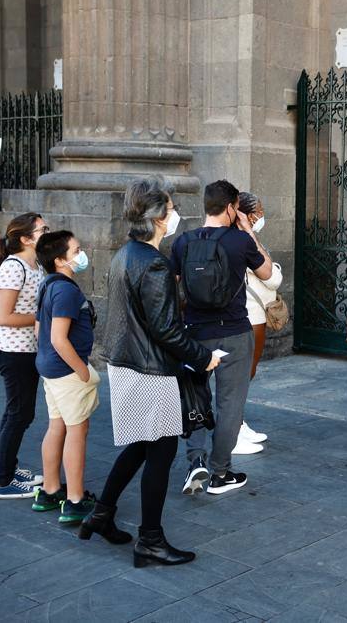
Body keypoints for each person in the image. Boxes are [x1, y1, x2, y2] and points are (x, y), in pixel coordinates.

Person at [85, 177, 220, 566]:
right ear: (160, 217)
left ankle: (102, 513)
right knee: (159, 450)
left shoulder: (125, 254)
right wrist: (203, 356)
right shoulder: (154, 262)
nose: (176, 214)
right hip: (149, 369)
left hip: (129, 364)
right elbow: (164, 329)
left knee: (142, 446)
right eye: (173, 208)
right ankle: (150, 540)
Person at [172, 180, 272, 496]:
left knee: (195, 398)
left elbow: (173, 286)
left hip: (195, 334)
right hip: (234, 332)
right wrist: (247, 230)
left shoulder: (182, 242)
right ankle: (219, 472)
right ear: (231, 208)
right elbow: (267, 272)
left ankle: (195, 462)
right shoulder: (240, 241)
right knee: (230, 405)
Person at [33, 230, 99, 524]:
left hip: (49, 368)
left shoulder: (48, 284)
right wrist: (82, 371)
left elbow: (40, 332)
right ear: (60, 260)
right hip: (67, 371)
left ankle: (50, 490)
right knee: (76, 431)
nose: (81, 253)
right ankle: (74, 500)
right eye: (76, 250)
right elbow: (60, 338)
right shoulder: (66, 290)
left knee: (56, 426)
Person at [0, 212, 48, 498]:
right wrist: (42, 318)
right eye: (42, 229)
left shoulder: (35, 264)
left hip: (26, 349)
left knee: (16, 412)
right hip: (13, 351)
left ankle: (7, 466)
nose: (47, 232)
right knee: (20, 414)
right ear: (25, 238)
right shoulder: (14, 267)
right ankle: (3, 481)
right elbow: (3, 316)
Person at [234, 191, 279, 454]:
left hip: (255, 315)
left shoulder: (247, 238)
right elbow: (272, 278)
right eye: (258, 211)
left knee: (246, 375)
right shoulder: (244, 239)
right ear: (245, 214)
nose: (262, 216)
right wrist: (249, 232)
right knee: (242, 375)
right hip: (249, 315)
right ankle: (233, 427)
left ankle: (238, 423)